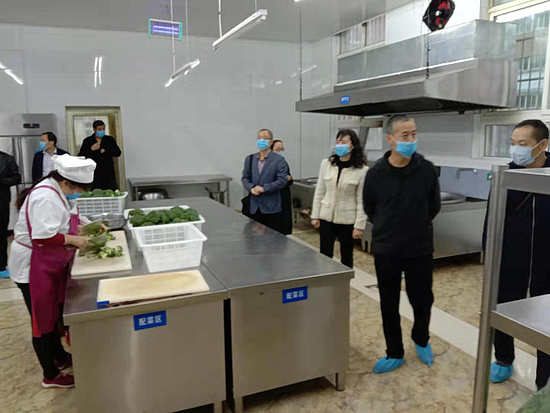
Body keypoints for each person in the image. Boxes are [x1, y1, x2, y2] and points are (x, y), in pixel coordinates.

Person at [9, 154, 95, 388]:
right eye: (79, 189)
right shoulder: (45, 197)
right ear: (66, 182)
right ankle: (50, 374)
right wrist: (75, 240)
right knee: (41, 320)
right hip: (32, 265)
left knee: (52, 314)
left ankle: (59, 356)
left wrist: (87, 227)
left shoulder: (59, 191)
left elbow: (67, 219)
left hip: (47, 262)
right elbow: (43, 236)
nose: (79, 193)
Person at [363, 115, 440, 374]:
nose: (411, 139)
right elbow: (370, 209)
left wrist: (415, 227)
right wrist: (389, 228)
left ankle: (421, 338)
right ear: (390, 139)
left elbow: (434, 206)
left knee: (423, 299)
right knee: (389, 302)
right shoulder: (375, 174)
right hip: (387, 249)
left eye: (413, 134)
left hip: (419, 248)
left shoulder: (427, 170)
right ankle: (394, 352)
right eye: (405, 135)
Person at [483, 120, 550, 391]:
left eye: (522, 144)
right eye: (513, 143)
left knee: (546, 319)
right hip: (511, 257)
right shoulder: (506, 174)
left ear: (542, 145)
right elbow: (492, 219)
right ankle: (503, 358)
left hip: (546, 260)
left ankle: (544, 378)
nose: (515, 149)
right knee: (504, 306)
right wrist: (489, 256)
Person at [310, 129, 367, 269]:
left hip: (347, 220)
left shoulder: (361, 170)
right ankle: (325, 278)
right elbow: (320, 191)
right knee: (324, 254)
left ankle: (344, 280)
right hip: (326, 217)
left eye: (343, 142)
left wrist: (359, 225)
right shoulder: (326, 164)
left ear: (352, 146)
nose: (339, 145)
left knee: (346, 255)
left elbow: (362, 200)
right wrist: (315, 215)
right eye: (338, 142)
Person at [241, 129, 288, 233]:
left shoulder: (279, 160)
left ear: (271, 142)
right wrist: (251, 188)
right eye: (259, 138)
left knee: (272, 238)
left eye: (265, 138)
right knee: (253, 238)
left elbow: (282, 181)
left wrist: (264, 188)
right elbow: (245, 178)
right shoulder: (250, 159)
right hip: (254, 207)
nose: (261, 140)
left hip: (271, 208)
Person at [78, 120, 121, 190]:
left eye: (103, 129)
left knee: (110, 190)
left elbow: (118, 152)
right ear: (94, 130)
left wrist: (105, 151)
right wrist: (91, 149)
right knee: (96, 191)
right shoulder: (88, 141)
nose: (102, 131)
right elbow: (81, 156)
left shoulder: (109, 140)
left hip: (108, 172)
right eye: (100, 129)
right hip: (94, 173)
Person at [0, 150, 21, 278]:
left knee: (1, 234)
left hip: (1, 202)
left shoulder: (6, 159)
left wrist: (2, 181)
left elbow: (17, 178)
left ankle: (1, 265)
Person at [271, 139, 293, 235]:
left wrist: (289, 178)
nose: (279, 152)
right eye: (277, 149)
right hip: (272, 196)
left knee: (284, 221)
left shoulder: (283, 162)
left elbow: (289, 178)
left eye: (281, 149)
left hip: (284, 194)